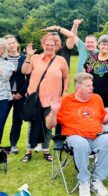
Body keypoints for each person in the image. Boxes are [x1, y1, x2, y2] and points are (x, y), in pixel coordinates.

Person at [46, 72, 108, 196]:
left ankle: (97, 179)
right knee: (81, 143)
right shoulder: (66, 101)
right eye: (88, 86)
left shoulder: (97, 98)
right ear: (77, 87)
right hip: (74, 138)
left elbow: (104, 120)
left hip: (95, 136)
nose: (92, 88)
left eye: (91, 85)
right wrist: (54, 112)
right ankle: (84, 181)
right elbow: (49, 125)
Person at [21, 33, 70, 162]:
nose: (49, 47)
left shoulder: (61, 60)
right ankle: (28, 151)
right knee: (32, 126)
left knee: (49, 126)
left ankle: (46, 151)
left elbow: (66, 76)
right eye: (47, 44)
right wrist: (28, 56)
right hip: (35, 98)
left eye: (52, 45)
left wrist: (65, 92)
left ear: (56, 46)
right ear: (43, 45)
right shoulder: (35, 58)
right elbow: (25, 71)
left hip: (52, 100)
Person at [84, 34, 108, 132]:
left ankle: (103, 145)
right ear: (98, 45)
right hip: (92, 97)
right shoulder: (92, 58)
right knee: (90, 121)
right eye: (103, 44)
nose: (105, 47)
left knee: (105, 125)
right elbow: (85, 74)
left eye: (107, 44)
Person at [2, 35, 28, 154]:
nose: (11, 45)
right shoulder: (4, 60)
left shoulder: (25, 58)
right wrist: (10, 93)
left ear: (17, 44)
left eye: (13, 42)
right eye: (9, 43)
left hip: (20, 94)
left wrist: (21, 93)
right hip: (6, 94)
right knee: (1, 119)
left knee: (17, 120)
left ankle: (13, 144)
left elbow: (29, 78)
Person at [0, 38, 16, 144]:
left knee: (0, 124)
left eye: (1, 47)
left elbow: (5, 77)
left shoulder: (8, 64)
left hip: (3, 98)